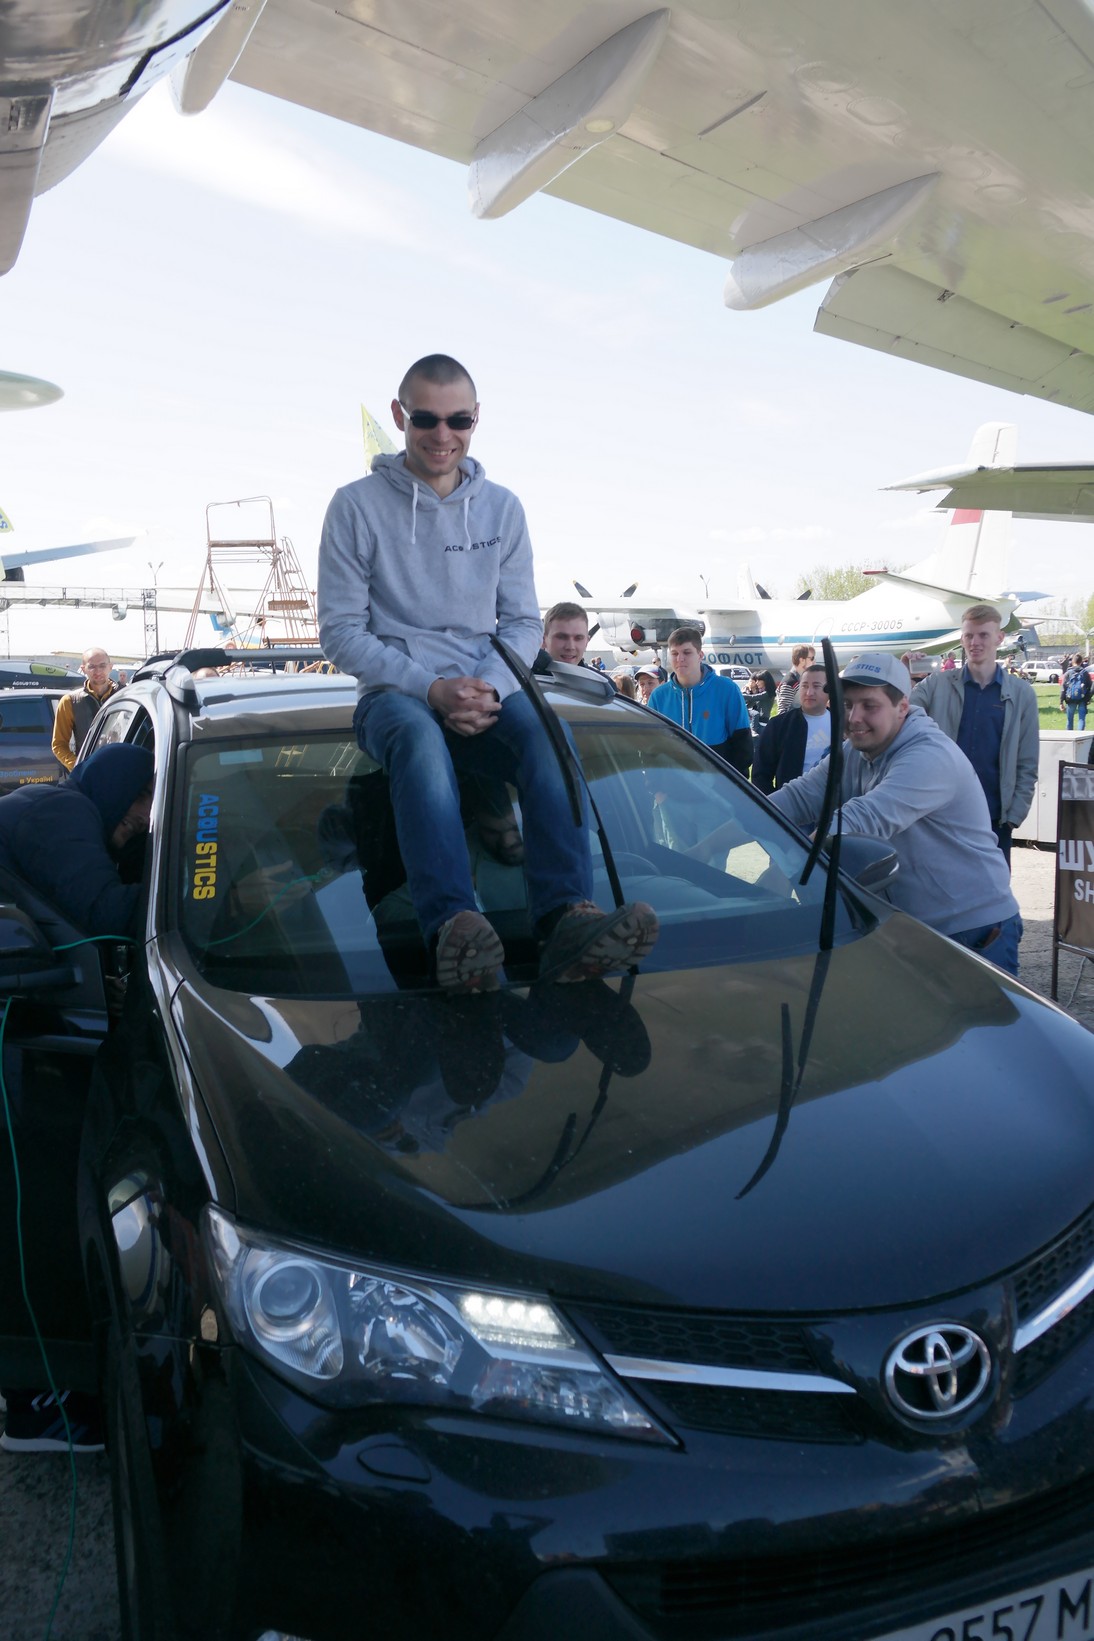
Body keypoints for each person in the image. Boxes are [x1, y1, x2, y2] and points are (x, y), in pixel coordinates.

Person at [316, 353, 657, 993]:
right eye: (425, 419)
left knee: (550, 737)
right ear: (399, 416)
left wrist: (487, 689)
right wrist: (432, 689)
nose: (442, 435)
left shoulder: (502, 509)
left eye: (458, 420)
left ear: (476, 419)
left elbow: (523, 623)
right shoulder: (355, 507)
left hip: (487, 687)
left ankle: (566, 919)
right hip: (395, 694)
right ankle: (454, 930)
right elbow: (340, 632)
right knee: (420, 740)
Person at [0, 742, 154, 1455]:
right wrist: (216, 881)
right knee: (33, 1202)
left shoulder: (67, 811)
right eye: (141, 802)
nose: (143, 818)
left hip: (26, 1013)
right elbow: (109, 914)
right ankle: (36, 1404)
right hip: (22, 1024)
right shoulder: (59, 814)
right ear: (115, 788)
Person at [768, 654, 1022, 974]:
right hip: (910, 927)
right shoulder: (856, 750)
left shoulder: (930, 756)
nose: (854, 717)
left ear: (902, 706)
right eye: (847, 705)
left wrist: (784, 871)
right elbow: (796, 797)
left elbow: (863, 819)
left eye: (869, 706)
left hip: (973, 932)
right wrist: (726, 825)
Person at [910, 604, 1039, 867]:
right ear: (962, 639)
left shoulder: (1021, 694)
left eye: (983, 635)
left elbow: (1027, 761)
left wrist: (1015, 814)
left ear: (999, 638)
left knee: (992, 889)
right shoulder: (937, 684)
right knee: (939, 884)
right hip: (941, 813)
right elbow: (897, 714)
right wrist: (904, 675)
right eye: (969, 635)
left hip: (994, 817)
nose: (974, 642)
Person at [647, 627, 752, 775]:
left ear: (700, 655)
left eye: (687, 652)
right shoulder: (659, 697)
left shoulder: (727, 690)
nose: (680, 658)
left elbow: (742, 745)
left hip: (718, 786)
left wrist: (730, 784)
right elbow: (651, 748)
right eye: (675, 653)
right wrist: (657, 785)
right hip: (672, 786)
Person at [751, 664, 831, 793]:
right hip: (790, 801)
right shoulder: (779, 725)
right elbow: (760, 775)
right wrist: (775, 802)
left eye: (816, 686)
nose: (809, 692)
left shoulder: (843, 724)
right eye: (804, 686)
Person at [50, 646, 120, 771]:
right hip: (89, 775)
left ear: (110, 667)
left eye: (102, 666)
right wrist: (79, 767)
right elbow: (59, 745)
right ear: (83, 669)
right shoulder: (70, 701)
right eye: (92, 666)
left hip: (122, 771)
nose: (98, 671)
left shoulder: (125, 697)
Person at [532, 601, 590, 673]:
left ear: (586, 642)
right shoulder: (522, 677)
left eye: (578, 638)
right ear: (543, 640)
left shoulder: (597, 679)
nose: (570, 647)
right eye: (561, 637)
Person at [775, 645, 815, 715]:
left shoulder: (801, 678)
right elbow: (782, 713)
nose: (814, 662)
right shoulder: (790, 682)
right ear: (802, 660)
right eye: (812, 658)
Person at [1060, 654, 1093, 731]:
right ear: (1081, 662)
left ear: (1072, 661)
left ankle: (1069, 736)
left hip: (1070, 698)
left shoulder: (1068, 673)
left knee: (1069, 719)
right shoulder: (1085, 673)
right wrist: (1088, 698)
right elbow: (1090, 686)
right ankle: (1080, 736)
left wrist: (1061, 702)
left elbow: (1063, 688)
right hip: (1082, 698)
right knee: (1081, 719)